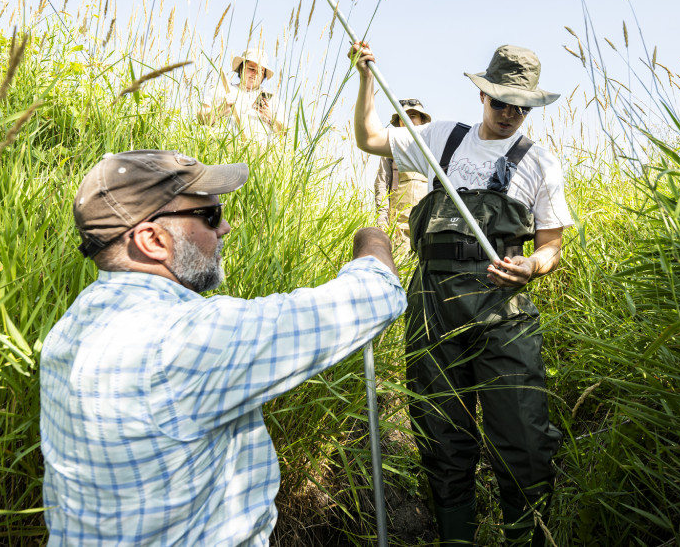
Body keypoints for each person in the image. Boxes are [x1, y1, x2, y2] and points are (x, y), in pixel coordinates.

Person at [39, 149, 405, 545]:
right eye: (209, 216)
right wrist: (372, 239)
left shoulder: (68, 329)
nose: (225, 227)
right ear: (151, 239)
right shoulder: (183, 339)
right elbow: (374, 295)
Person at [351, 42, 573, 546]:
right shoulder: (440, 138)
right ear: (482, 95)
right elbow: (368, 138)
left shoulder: (540, 162)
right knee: (442, 439)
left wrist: (532, 266)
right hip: (434, 307)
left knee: (524, 439)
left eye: (521, 106)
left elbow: (552, 246)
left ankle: (525, 537)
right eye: (501, 103)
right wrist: (365, 77)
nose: (510, 114)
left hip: (505, 314)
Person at [374, 99, 431, 248]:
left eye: (412, 116)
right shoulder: (390, 149)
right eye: (402, 117)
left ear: (422, 120)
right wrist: (382, 222)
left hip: (428, 225)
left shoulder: (434, 147)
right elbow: (381, 185)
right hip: (399, 226)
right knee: (400, 270)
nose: (407, 120)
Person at [197, 48, 286, 140]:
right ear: (241, 68)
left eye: (261, 71)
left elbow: (283, 133)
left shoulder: (272, 100)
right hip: (223, 148)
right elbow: (201, 119)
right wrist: (222, 108)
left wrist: (270, 117)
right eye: (251, 69)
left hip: (259, 152)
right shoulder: (221, 90)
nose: (255, 74)